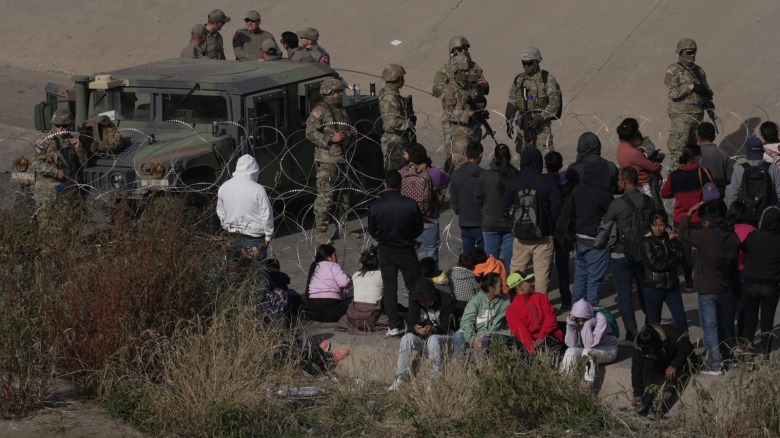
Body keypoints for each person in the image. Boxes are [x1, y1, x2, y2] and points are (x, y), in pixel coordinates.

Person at [678, 202, 739, 374]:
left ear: (706, 221)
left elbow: (682, 232)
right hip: (724, 286)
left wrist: (689, 212)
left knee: (710, 327)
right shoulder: (732, 237)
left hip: (707, 288)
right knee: (724, 325)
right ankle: (727, 356)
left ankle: (714, 364)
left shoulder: (706, 236)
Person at [368, 170, 424, 337]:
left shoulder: (376, 205)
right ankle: (414, 323)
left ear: (385, 184)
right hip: (406, 249)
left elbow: (372, 229)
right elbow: (418, 228)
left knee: (390, 288)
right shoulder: (410, 204)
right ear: (401, 184)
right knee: (413, 286)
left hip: (386, 250)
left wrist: (383, 239)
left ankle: (393, 324)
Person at [305, 78, 359, 245]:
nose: (339, 94)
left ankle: (342, 227)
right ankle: (321, 232)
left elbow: (343, 128)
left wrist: (350, 132)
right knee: (326, 196)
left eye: (340, 91)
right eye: (336, 92)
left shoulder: (340, 109)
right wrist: (331, 138)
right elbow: (309, 133)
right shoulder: (320, 110)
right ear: (327, 93)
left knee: (343, 195)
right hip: (327, 160)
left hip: (342, 158)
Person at [501, 146, 562, 294]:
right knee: (541, 275)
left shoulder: (513, 181)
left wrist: (514, 224)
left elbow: (504, 208)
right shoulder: (547, 181)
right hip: (543, 235)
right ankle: (539, 307)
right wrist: (548, 224)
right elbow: (556, 207)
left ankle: (517, 305)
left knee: (516, 273)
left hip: (520, 236)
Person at [605, 167, 655, 341]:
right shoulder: (649, 201)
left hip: (621, 253)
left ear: (625, 182)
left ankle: (631, 331)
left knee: (625, 295)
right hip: (644, 252)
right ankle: (650, 326)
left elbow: (606, 225)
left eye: (619, 179)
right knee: (646, 290)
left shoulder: (617, 204)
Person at [387, 276, 456, 390]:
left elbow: (447, 326)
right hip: (424, 340)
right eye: (421, 300)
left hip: (444, 339)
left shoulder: (446, 300)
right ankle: (401, 377)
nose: (423, 303)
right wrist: (416, 329)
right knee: (407, 338)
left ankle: (435, 380)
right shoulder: (416, 301)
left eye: (425, 300)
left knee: (433, 339)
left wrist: (433, 329)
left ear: (431, 296)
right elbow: (410, 324)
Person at [661, 143, 713, 289]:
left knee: (685, 253)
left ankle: (689, 282)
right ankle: (705, 278)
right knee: (705, 250)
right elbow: (711, 194)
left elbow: (665, 193)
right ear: (696, 157)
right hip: (700, 218)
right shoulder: (702, 172)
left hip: (680, 220)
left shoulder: (674, 175)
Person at [432, 36, 489, 158]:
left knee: (474, 151)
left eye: (466, 48)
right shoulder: (446, 69)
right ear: (452, 51)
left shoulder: (474, 67)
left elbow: (483, 89)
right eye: (460, 49)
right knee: (454, 154)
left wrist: (485, 85)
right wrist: (453, 91)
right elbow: (436, 90)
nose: (464, 51)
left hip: (474, 114)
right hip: (455, 118)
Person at [29, 109, 86, 226]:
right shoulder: (44, 140)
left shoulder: (72, 140)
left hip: (65, 187)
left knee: (67, 224)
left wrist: (79, 149)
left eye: (64, 126)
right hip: (47, 190)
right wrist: (55, 172)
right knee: (48, 225)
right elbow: (36, 163)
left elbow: (83, 165)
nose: (61, 129)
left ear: (70, 125)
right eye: (58, 125)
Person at [216, 154, 274, 264]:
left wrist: (226, 226)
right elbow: (266, 215)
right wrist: (268, 236)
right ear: (254, 171)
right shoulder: (257, 189)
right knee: (257, 277)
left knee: (234, 275)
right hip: (254, 239)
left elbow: (221, 212)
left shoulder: (224, 187)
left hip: (233, 237)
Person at [570, 160, 613, 306]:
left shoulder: (578, 189)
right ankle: (591, 312)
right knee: (594, 280)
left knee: (580, 278)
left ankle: (576, 311)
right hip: (596, 242)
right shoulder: (602, 193)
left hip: (580, 238)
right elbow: (612, 213)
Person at [665, 38, 714, 165]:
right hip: (681, 116)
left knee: (695, 151)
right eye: (689, 52)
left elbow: (706, 89)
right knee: (679, 149)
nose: (692, 55)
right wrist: (690, 87)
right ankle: (676, 177)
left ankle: (692, 176)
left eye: (694, 52)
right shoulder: (674, 70)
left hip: (697, 114)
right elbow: (672, 93)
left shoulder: (699, 70)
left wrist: (708, 100)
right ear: (681, 52)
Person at [739, 206, 780, 358]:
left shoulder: (753, 236)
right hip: (771, 286)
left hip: (750, 284)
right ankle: (765, 354)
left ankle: (748, 354)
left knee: (750, 322)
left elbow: (742, 248)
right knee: (767, 323)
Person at [631, 324, 696, 418]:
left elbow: (686, 349)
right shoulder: (640, 344)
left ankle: (659, 409)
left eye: (648, 349)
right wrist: (637, 393)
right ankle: (646, 402)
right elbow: (636, 368)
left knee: (672, 377)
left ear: (655, 343)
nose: (645, 351)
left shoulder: (672, 334)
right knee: (647, 364)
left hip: (681, 360)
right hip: (663, 360)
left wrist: (674, 365)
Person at [505, 46, 562, 153]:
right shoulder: (519, 80)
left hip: (541, 129)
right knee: (526, 162)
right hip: (523, 127)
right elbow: (512, 101)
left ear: (536, 62)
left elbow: (554, 102)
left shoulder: (547, 79)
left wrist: (540, 118)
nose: (526, 66)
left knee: (545, 161)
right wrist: (509, 120)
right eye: (524, 63)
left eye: (529, 63)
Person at [401, 144, 449, 265]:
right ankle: (431, 279)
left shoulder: (402, 172)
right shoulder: (434, 173)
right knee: (431, 252)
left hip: (409, 220)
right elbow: (447, 179)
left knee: (411, 256)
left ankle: (410, 282)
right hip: (429, 220)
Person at [640, 210, 688, 331]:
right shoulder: (646, 242)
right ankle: (655, 348)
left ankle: (685, 347)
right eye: (654, 225)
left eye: (661, 225)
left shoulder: (670, 238)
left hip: (672, 286)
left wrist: (673, 243)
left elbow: (681, 257)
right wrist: (673, 263)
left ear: (666, 225)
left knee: (681, 320)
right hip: (654, 286)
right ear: (650, 225)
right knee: (655, 324)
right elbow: (655, 265)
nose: (657, 228)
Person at [474, 143, 517, 271]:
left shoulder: (485, 176)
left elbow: (477, 197)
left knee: (491, 263)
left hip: (490, 223)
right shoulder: (515, 175)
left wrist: (485, 210)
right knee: (512, 262)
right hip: (510, 223)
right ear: (509, 156)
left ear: (494, 156)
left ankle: (494, 288)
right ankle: (511, 287)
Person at [560, 299, 619, 388]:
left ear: (588, 316)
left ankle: (588, 386)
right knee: (570, 351)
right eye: (578, 320)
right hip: (587, 349)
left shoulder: (601, 319)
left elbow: (589, 344)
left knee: (588, 352)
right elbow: (572, 344)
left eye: (582, 320)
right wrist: (570, 325)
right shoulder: (575, 321)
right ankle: (564, 383)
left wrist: (587, 325)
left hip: (608, 349)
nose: (580, 323)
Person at [506, 270, 565, 357]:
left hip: (550, 336)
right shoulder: (511, 310)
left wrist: (541, 337)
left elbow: (550, 319)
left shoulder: (540, 297)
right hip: (532, 343)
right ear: (519, 287)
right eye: (528, 281)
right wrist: (532, 349)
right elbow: (521, 332)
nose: (531, 282)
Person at [453, 273, 512, 359]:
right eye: (500, 285)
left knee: (483, 337)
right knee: (458, 336)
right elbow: (466, 322)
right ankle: (460, 368)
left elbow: (514, 320)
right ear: (491, 288)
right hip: (476, 332)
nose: (503, 287)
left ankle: (478, 367)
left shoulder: (506, 301)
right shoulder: (476, 301)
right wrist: (472, 339)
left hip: (496, 333)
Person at [439, 54, 482, 173]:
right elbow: (449, 112)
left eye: (467, 70)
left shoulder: (468, 86)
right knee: (459, 167)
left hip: (471, 132)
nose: (467, 73)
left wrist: (480, 110)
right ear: (456, 71)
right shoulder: (450, 89)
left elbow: (476, 100)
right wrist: (469, 114)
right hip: (458, 135)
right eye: (463, 71)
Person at [726, 136, 780, 225]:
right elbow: (778, 194)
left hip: (745, 217)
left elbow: (733, 196)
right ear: (762, 152)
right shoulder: (772, 168)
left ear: (747, 153)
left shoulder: (739, 169)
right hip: (767, 217)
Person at [336, 246, 389, 334]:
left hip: (353, 317)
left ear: (362, 263)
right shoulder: (381, 275)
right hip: (371, 316)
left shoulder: (356, 275)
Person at [727, 201, 755, 340]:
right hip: (746, 271)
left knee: (729, 307)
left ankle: (729, 337)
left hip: (729, 271)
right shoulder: (752, 229)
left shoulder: (727, 228)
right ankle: (741, 337)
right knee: (743, 307)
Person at [379, 64, 415, 171]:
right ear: (398, 79)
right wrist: (408, 124)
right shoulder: (390, 98)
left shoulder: (392, 95)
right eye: (401, 78)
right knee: (396, 172)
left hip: (398, 138)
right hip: (394, 141)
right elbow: (391, 122)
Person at [451, 141, 484, 253]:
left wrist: (458, 211)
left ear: (467, 154)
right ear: (480, 155)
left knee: (467, 253)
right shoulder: (483, 175)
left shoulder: (457, 174)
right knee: (483, 254)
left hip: (465, 220)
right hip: (481, 220)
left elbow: (454, 198)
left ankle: (468, 270)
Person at [616, 118, 663, 198]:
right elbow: (653, 167)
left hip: (630, 185)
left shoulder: (620, 148)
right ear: (635, 134)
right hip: (642, 187)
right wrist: (658, 165)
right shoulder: (633, 153)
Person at [305, 244, 352, 322]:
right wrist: (349, 279)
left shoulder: (314, 266)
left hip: (313, 310)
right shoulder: (333, 265)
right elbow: (344, 282)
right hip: (331, 307)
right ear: (328, 257)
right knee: (353, 301)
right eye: (334, 255)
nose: (337, 257)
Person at [697, 122, 731, 196]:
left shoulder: (694, 154)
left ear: (699, 138)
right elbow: (728, 178)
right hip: (718, 194)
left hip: (699, 195)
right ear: (714, 137)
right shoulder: (723, 154)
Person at [449, 252, 481, 322]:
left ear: (459, 263)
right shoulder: (472, 278)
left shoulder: (451, 274)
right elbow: (478, 291)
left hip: (455, 302)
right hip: (470, 304)